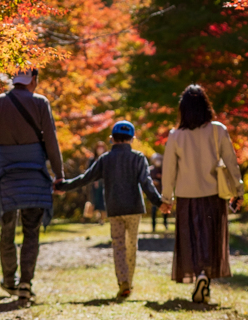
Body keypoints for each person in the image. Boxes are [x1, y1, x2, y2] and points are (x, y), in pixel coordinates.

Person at [0, 68, 64, 301]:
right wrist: (59, 174)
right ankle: (25, 283)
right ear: (33, 79)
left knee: (7, 230)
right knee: (31, 231)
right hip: (34, 176)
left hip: (6, 177)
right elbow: (51, 139)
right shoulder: (41, 103)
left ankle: (9, 279)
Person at [56, 121, 162, 298]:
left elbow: (86, 178)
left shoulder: (105, 159)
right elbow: (146, 184)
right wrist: (159, 202)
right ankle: (129, 279)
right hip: (134, 208)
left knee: (118, 245)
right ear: (132, 139)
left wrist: (63, 186)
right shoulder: (138, 158)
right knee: (131, 246)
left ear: (112, 139)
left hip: (114, 208)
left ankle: (123, 282)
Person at [160, 85, 243, 305]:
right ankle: (205, 275)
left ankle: (199, 275)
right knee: (210, 237)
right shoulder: (218, 129)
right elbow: (232, 163)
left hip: (187, 197)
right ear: (206, 106)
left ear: (183, 109)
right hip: (213, 195)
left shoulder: (176, 135)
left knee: (192, 239)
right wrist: (238, 190)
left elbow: (168, 170)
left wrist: (166, 199)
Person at [88, 141, 108, 224]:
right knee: (95, 201)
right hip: (95, 184)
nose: (100, 149)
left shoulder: (107, 158)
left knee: (103, 201)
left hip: (104, 183)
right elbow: (89, 172)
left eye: (101, 147)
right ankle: (96, 217)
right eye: (98, 147)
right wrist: (94, 180)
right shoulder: (92, 160)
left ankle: (102, 219)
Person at [149, 153, 169, 232]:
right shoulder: (150, 170)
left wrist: (159, 182)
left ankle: (165, 223)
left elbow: (167, 181)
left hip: (162, 193)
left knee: (165, 210)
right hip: (153, 194)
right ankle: (153, 226)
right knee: (154, 210)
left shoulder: (163, 170)